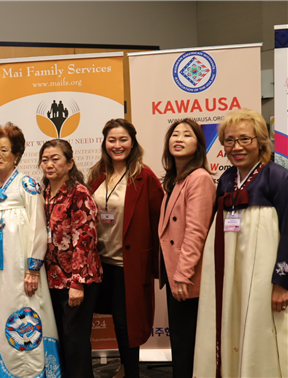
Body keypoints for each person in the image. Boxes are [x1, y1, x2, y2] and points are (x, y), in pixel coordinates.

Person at [0, 123, 61, 377]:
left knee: (20, 307)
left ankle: (26, 370)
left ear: (16, 155)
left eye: (4, 150)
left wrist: (33, 269)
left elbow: (39, 229)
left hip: (19, 267)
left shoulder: (27, 186)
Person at [193, 109, 288, 378]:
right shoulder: (226, 180)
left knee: (261, 328)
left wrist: (282, 282)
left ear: (260, 141)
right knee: (231, 324)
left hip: (263, 277)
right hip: (231, 274)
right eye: (230, 140)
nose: (237, 147)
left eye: (245, 139)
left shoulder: (278, 177)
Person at [88, 119, 163, 378]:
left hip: (127, 264)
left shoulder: (145, 176)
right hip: (98, 263)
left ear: (133, 142)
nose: (117, 145)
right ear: (104, 143)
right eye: (112, 140)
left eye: (123, 140)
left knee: (125, 324)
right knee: (90, 318)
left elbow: (158, 223)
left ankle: (131, 372)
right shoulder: (97, 173)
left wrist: (155, 265)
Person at [39, 139, 101, 378]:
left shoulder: (79, 192)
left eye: (55, 159)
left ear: (70, 162)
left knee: (75, 340)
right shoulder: (44, 192)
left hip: (76, 280)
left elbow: (85, 241)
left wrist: (77, 283)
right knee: (58, 338)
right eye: (45, 160)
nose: (49, 164)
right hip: (52, 278)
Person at [158, 119, 215, 378]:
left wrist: (182, 275)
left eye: (187, 135)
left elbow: (196, 232)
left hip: (187, 277)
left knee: (188, 346)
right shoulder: (176, 180)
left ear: (199, 145)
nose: (178, 138)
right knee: (181, 345)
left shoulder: (199, 178)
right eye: (174, 134)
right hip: (175, 275)